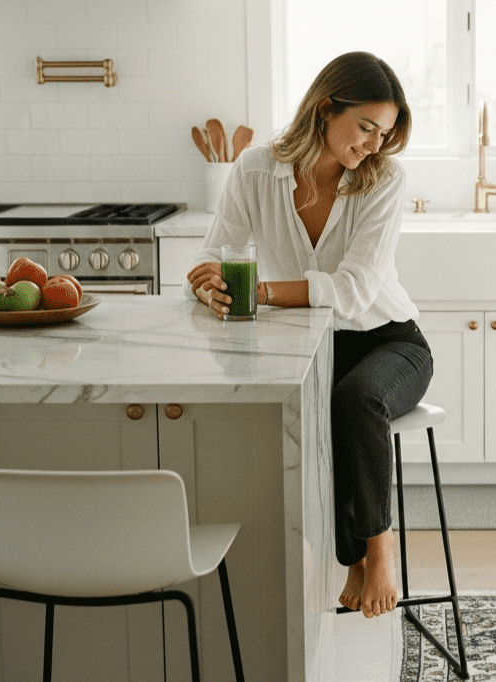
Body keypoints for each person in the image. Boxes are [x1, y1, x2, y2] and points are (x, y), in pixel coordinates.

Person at [186, 52, 431, 619]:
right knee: (311, 409)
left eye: (385, 133)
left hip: (390, 341)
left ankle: (378, 549)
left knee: (355, 398)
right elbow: (212, 251)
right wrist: (208, 285)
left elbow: (355, 291)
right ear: (326, 109)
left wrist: (258, 291)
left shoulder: (383, 180)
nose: (374, 144)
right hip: (310, 346)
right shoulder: (253, 169)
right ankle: (342, 558)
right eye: (366, 127)